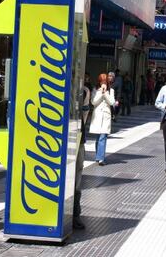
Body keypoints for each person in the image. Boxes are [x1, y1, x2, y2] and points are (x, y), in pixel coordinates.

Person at [73, 82, 91, 230]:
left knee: (78, 176)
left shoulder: (84, 91)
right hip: (76, 137)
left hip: (79, 138)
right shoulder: (84, 91)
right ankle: (75, 215)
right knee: (76, 176)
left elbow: (85, 114)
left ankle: (75, 213)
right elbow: (85, 114)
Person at [89, 73, 115, 166]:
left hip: (106, 116)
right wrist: (100, 93)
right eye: (101, 82)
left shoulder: (111, 91)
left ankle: (101, 159)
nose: (103, 84)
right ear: (99, 82)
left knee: (103, 137)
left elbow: (112, 102)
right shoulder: (95, 90)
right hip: (97, 116)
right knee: (98, 138)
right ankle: (98, 156)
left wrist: (105, 93)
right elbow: (93, 102)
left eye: (105, 82)